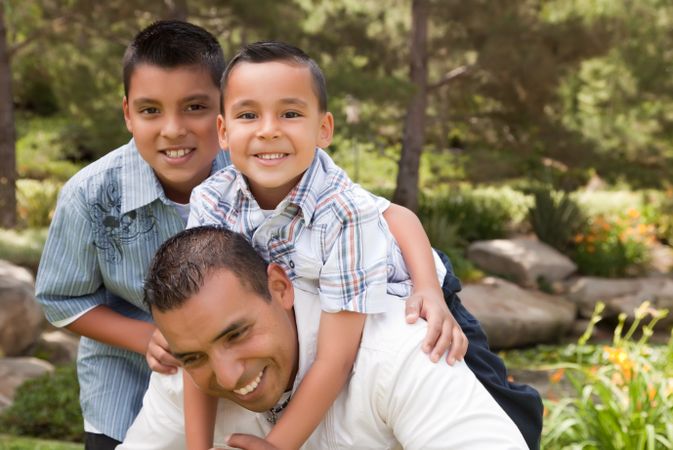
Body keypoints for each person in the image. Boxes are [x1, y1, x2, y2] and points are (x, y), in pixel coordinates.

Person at [186, 41, 543, 450]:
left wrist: (426, 288)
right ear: (224, 131)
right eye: (249, 115)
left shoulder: (341, 210)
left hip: (404, 280)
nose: (268, 129)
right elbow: (199, 302)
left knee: (488, 401)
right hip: (323, 287)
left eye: (290, 113)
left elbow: (336, 358)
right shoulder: (213, 200)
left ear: (324, 129)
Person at [119, 225, 529, 450]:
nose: (226, 377)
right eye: (195, 357)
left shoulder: (399, 350)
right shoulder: (184, 364)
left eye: (237, 334)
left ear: (280, 289)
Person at [34, 20, 230, 449]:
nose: (173, 129)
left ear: (224, 107)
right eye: (150, 110)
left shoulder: (251, 175)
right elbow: (61, 299)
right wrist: (145, 339)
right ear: (128, 114)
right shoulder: (89, 195)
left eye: (195, 107)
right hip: (124, 391)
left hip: (231, 387)